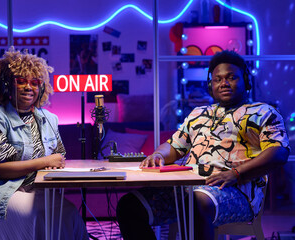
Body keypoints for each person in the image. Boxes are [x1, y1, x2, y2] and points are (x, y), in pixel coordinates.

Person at [116, 50, 290, 240]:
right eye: (218, 79)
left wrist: (236, 173)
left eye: (231, 78)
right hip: (185, 189)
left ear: (245, 81)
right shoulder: (198, 113)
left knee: (195, 203)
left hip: (235, 191)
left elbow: (278, 153)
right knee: (129, 205)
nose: (224, 83)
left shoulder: (263, 112)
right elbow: (174, 146)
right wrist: (158, 154)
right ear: (210, 84)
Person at [0, 47, 89, 240]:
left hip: (37, 190)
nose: (28, 87)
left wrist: (55, 162)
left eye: (34, 82)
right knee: (40, 214)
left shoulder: (50, 119)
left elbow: (58, 158)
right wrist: (44, 161)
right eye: (20, 82)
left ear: (41, 88)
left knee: (70, 213)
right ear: (6, 86)